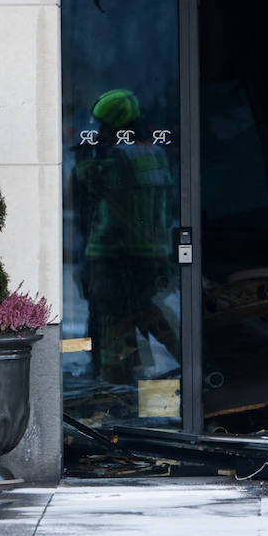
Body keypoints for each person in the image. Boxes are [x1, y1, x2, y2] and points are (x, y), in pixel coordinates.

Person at [74, 89, 180, 385]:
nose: (100, 131)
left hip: (114, 254)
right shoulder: (155, 154)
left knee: (112, 321)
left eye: (104, 125)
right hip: (151, 251)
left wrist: (83, 158)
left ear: (116, 125)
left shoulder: (119, 156)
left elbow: (96, 185)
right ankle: (175, 359)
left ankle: (114, 377)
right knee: (143, 312)